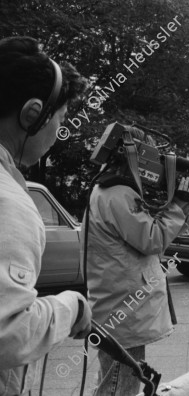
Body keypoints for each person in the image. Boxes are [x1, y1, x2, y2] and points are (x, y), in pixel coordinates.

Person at [85, 126, 189, 396]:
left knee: (112, 381)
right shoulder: (117, 195)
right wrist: (178, 205)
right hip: (123, 314)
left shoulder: (108, 191)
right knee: (119, 387)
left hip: (117, 310)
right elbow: (152, 239)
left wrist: (180, 205)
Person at [0, 36, 91, 394]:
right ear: (32, 115)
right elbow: (9, 333)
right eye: (61, 119)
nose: (59, 133)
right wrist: (70, 305)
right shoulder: (9, 202)